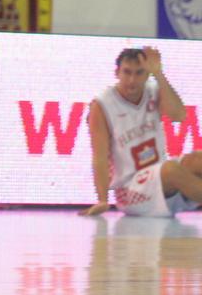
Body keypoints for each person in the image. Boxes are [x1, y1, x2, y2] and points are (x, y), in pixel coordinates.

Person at [82, 48, 201, 218]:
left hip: (161, 180)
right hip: (130, 190)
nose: (132, 80)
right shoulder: (102, 104)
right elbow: (99, 156)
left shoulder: (153, 89)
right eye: (127, 72)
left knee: (197, 159)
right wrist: (102, 199)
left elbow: (179, 116)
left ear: (147, 74)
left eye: (139, 73)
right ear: (117, 72)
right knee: (171, 170)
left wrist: (159, 74)